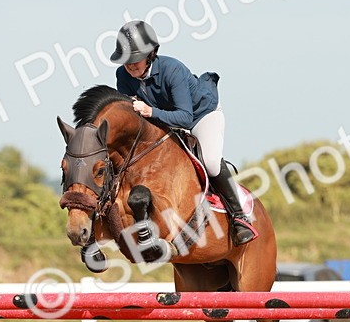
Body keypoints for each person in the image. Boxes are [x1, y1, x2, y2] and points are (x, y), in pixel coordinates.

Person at [110, 20, 258, 246]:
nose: (130, 65)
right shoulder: (123, 75)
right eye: (126, 60)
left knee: (210, 162)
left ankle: (239, 216)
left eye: (135, 59)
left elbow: (185, 118)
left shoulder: (173, 70)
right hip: (164, 120)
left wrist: (150, 111)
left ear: (150, 54)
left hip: (200, 115)